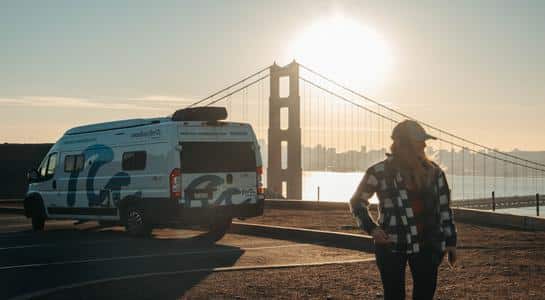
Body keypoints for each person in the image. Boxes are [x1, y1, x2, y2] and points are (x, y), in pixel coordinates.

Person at [349, 119, 457, 300]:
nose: (424, 144)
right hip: (391, 246)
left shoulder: (435, 173)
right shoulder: (378, 172)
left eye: (424, 140)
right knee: (393, 296)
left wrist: (451, 242)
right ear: (401, 144)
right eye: (418, 140)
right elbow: (357, 202)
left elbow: (445, 209)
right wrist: (372, 229)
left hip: (428, 246)